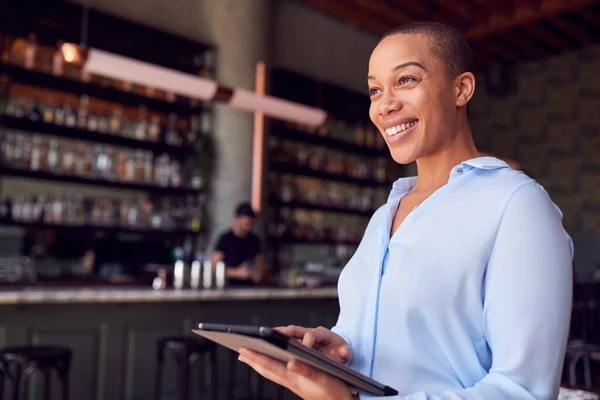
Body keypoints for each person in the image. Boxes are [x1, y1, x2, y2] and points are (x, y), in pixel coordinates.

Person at [237, 22, 573, 399]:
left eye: (407, 80)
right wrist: (340, 347)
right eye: (375, 90)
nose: (385, 104)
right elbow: (387, 334)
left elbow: (523, 391)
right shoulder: (387, 213)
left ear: (461, 88)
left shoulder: (516, 204)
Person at [211, 202, 264, 286]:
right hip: (228, 287)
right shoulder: (225, 239)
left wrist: (256, 275)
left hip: (250, 288)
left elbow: (259, 266)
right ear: (236, 218)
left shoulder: (254, 240)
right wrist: (236, 273)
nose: (247, 225)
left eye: (249, 223)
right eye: (245, 222)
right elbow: (214, 268)